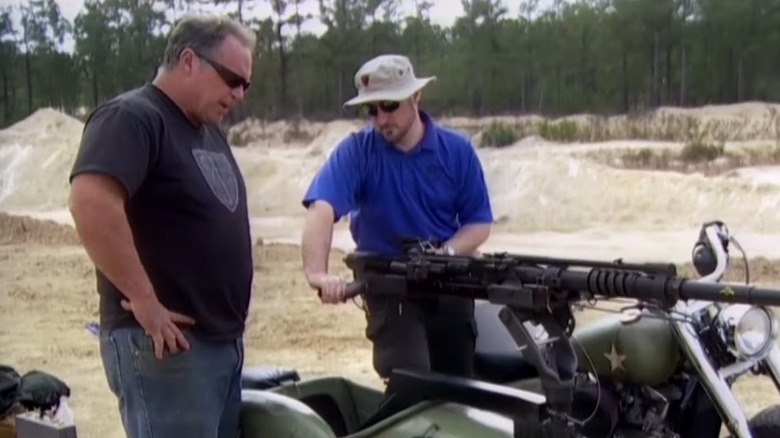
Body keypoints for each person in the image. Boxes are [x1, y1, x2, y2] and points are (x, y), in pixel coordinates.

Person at [67, 14, 255, 438]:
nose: (239, 93)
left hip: (217, 347)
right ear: (189, 60)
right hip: (166, 349)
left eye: (246, 84)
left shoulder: (206, 131)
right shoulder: (132, 117)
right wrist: (145, 301)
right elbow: (91, 202)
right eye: (231, 79)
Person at [300, 54, 494, 381]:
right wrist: (318, 274)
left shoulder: (456, 150)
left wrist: (445, 253)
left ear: (416, 97)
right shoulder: (358, 151)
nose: (381, 119)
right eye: (371, 110)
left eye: (389, 105)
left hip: (449, 283)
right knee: (411, 383)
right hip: (390, 285)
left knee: (460, 386)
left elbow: (478, 223)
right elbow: (322, 208)